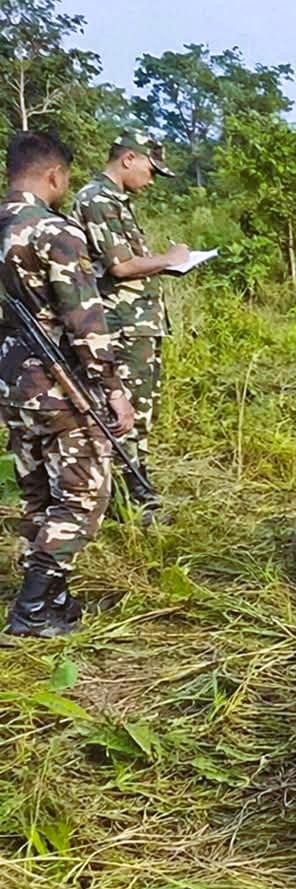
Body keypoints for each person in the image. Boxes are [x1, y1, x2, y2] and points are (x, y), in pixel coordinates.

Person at [0, 132, 136, 637]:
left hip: (10, 380)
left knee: (37, 490)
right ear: (54, 175)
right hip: (57, 382)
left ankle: (54, 597)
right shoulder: (54, 231)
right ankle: (33, 608)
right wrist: (114, 390)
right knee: (83, 494)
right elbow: (84, 321)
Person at [73, 131, 187, 525]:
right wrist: (170, 258)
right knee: (125, 414)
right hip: (121, 327)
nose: (152, 180)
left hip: (138, 324)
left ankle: (136, 493)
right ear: (129, 159)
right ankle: (133, 502)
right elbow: (120, 266)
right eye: (151, 170)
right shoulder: (97, 200)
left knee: (140, 414)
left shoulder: (115, 201)